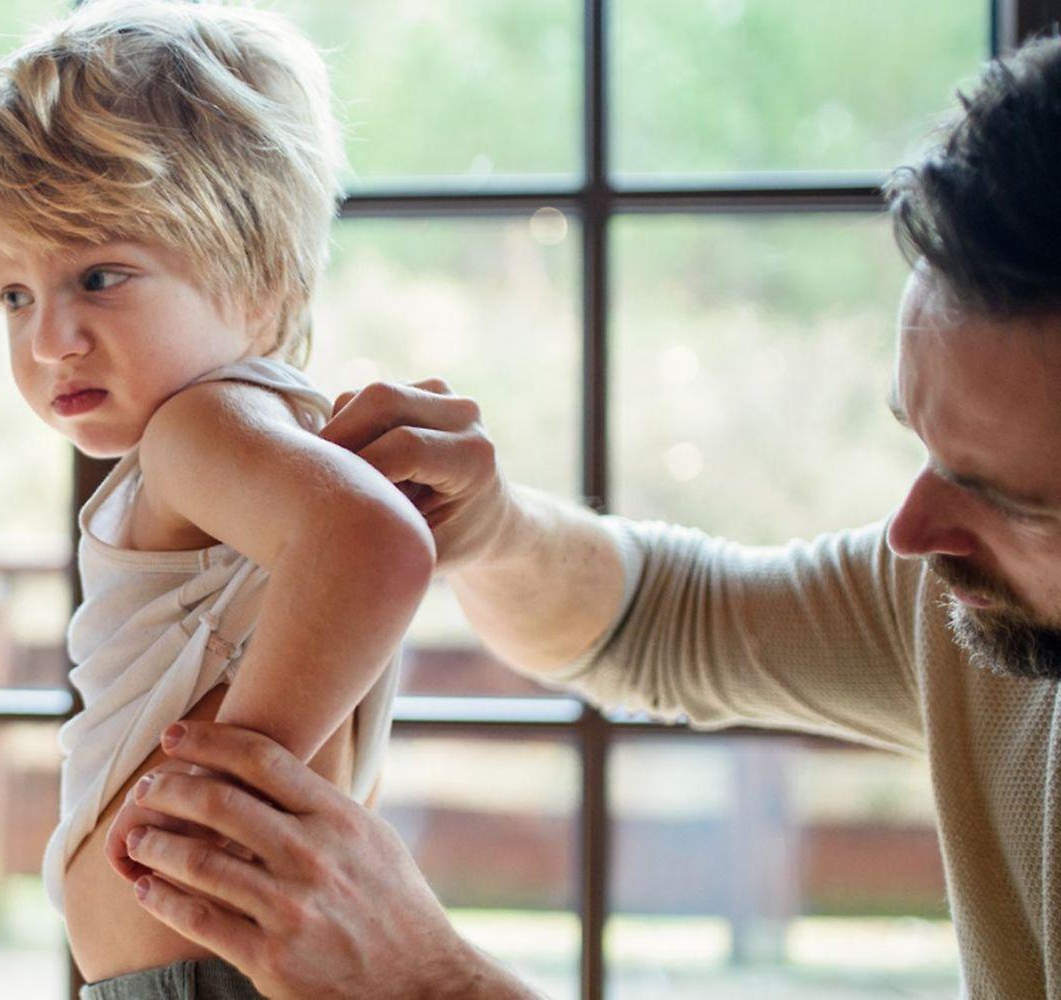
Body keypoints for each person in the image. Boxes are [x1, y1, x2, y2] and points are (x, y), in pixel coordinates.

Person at [117, 32, 1061, 1000]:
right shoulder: (968, 598)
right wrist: (497, 532)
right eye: (921, 445)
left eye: (1005, 497)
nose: (910, 532)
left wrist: (437, 984)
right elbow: (667, 617)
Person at [0, 1, 434, 996]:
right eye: (14, 295)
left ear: (257, 279)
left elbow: (373, 545)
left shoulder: (200, 431)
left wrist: (212, 808)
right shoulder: (258, 440)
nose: (50, 339)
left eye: (99, 275)